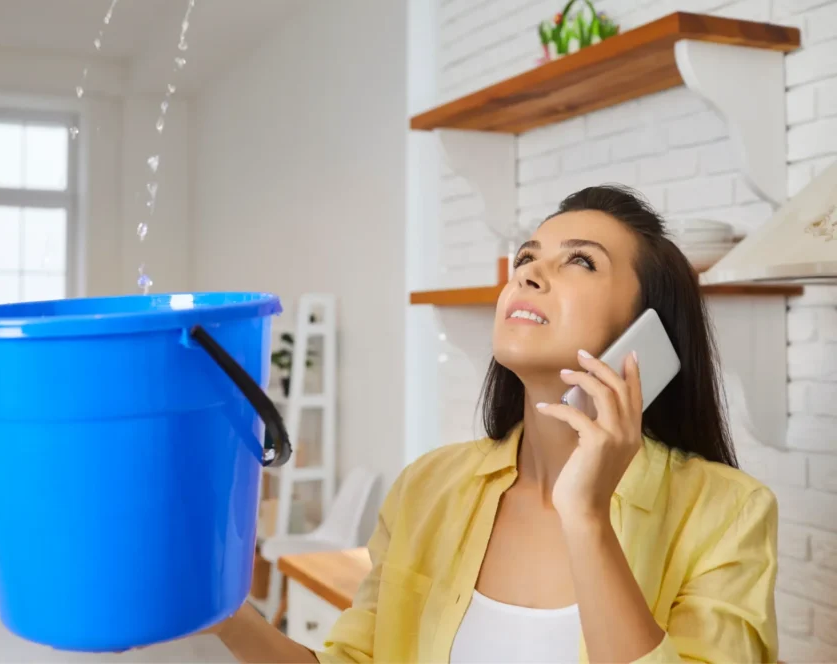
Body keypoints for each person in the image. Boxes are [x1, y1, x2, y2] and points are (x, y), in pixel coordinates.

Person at [207, 185, 779, 663]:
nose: (527, 274)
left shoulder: (728, 513)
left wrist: (586, 517)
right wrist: (221, 608)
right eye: (527, 257)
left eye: (579, 261)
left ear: (647, 334)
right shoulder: (425, 488)